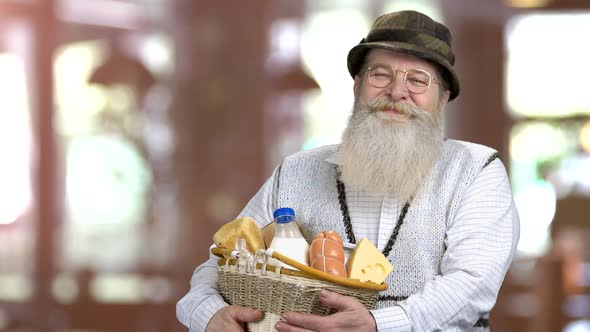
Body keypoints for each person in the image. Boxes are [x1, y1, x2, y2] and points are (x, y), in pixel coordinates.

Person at [177, 9, 520, 332]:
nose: (396, 91)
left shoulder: (476, 170)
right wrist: (206, 314)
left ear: (442, 99)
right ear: (357, 86)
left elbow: (471, 284)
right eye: (381, 74)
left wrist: (376, 324)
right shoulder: (297, 170)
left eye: (418, 80)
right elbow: (225, 261)